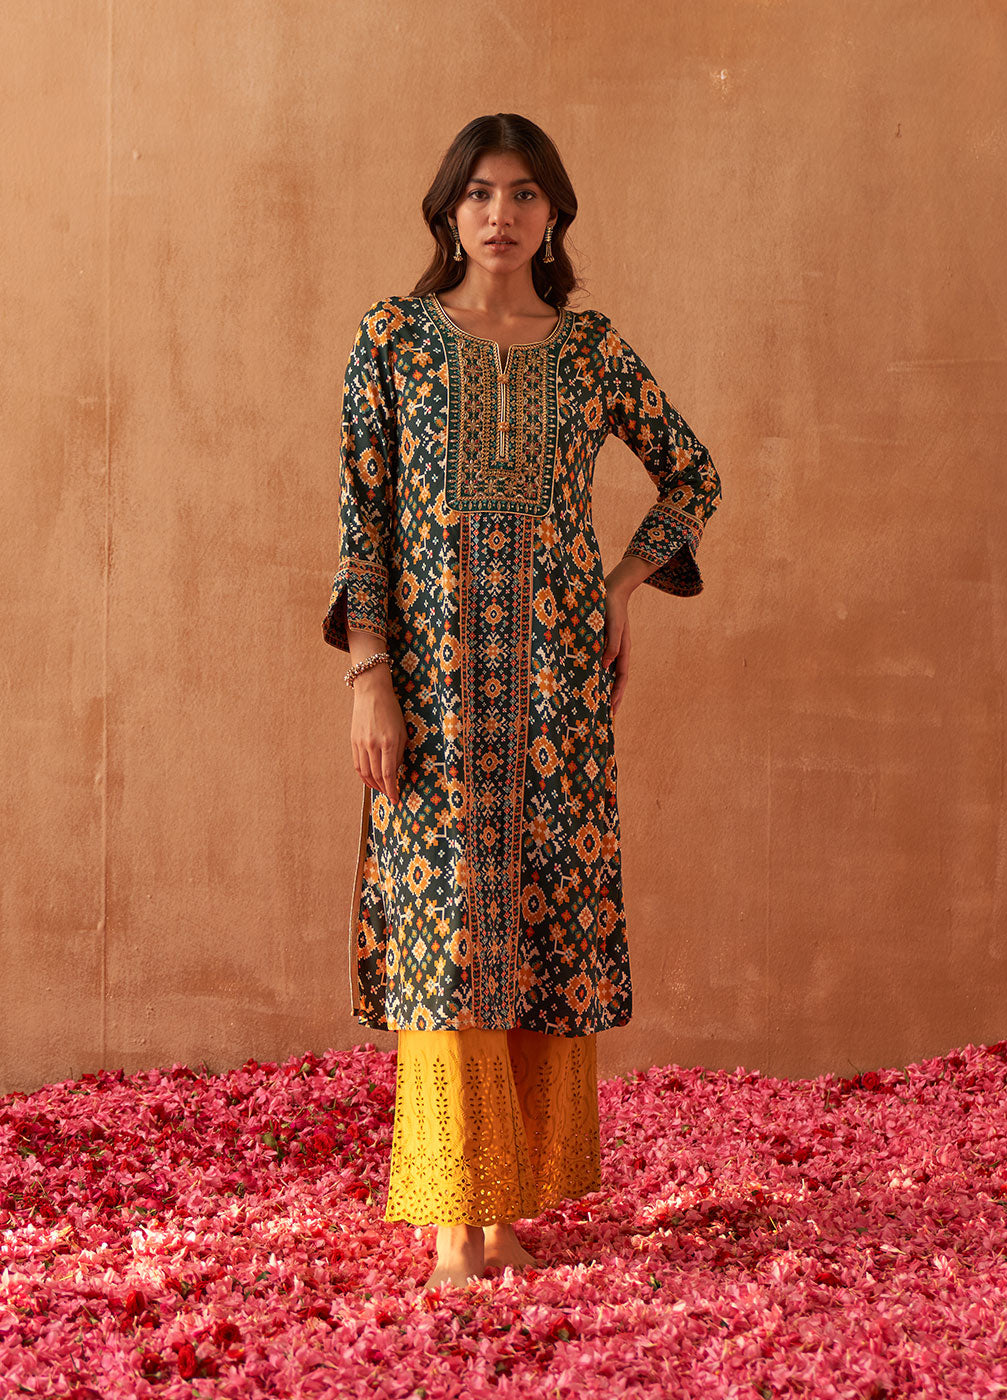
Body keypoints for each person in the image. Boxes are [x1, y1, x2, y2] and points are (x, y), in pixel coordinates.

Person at [322, 113, 721, 1289]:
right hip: (432, 698)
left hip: (557, 698)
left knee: (538, 933)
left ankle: (504, 1209)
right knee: (445, 940)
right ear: (450, 211)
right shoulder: (393, 340)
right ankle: (455, 1221)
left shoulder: (588, 349)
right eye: (482, 193)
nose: (502, 213)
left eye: (526, 194)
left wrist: (620, 585)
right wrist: (369, 676)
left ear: (554, 216)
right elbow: (362, 519)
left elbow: (692, 474)